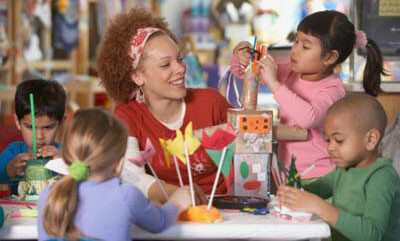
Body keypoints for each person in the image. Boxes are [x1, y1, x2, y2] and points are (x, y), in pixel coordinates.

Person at [97, 8, 232, 203]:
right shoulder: (127, 115)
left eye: (179, 59)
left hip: (224, 216)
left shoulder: (212, 102)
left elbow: (252, 138)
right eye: (165, 65)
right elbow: (130, 175)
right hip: (167, 217)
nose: (180, 69)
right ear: (138, 76)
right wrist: (177, 195)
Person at [234, 10, 386, 179]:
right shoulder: (289, 72)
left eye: (305, 46)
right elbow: (241, 72)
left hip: (319, 177)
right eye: (296, 42)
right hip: (288, 174)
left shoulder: (333, 90)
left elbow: (308, 118)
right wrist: (241, 54)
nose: (295, 51)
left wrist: (274, 84)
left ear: (329, 57)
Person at [37, 108, 191, 240]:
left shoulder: (48, 196)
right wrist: (177, 203)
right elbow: (160, 222)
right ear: (119, 165)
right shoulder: (126, 196)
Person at [278, 93, 400, 241]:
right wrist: (294, 188)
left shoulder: (381, 177)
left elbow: (372, 235)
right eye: (328, 140)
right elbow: (317, 188)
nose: (330, 148)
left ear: (370, 139)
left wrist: (320, 207)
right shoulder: (344, 169)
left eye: (339, 140)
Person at [0, 79, 66, 193]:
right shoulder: (12, 153)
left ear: (61, 123)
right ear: (17, 122)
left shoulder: (66, 153)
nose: (39, 136)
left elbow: (86, 179)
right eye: (30, 127)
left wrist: (64, 164)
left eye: (48, 127)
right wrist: (9, 171)